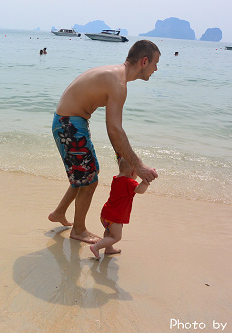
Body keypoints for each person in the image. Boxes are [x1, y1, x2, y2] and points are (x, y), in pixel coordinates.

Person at [49, 39, 160, 244]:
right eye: (155, 63)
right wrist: (139, 167)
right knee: (89, 178)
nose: (156, 68)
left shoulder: (116, 75)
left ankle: (59, 212)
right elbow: (114, 130)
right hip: (69, 124)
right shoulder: (118, 83)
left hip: (70, 121)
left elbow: (114, 130)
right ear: (144, 61)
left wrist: (123, 157)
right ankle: (78, 230)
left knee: (88, 173)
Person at [90, 155, 149, 259]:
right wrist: (146, 181)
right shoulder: (129, 182)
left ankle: (109, 249)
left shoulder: (116, 179)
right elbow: (140, 190)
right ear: (134, 173)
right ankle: (96, 247)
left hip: (106, 214)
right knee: (116, 237)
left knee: (108, 232)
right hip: (115, 217)